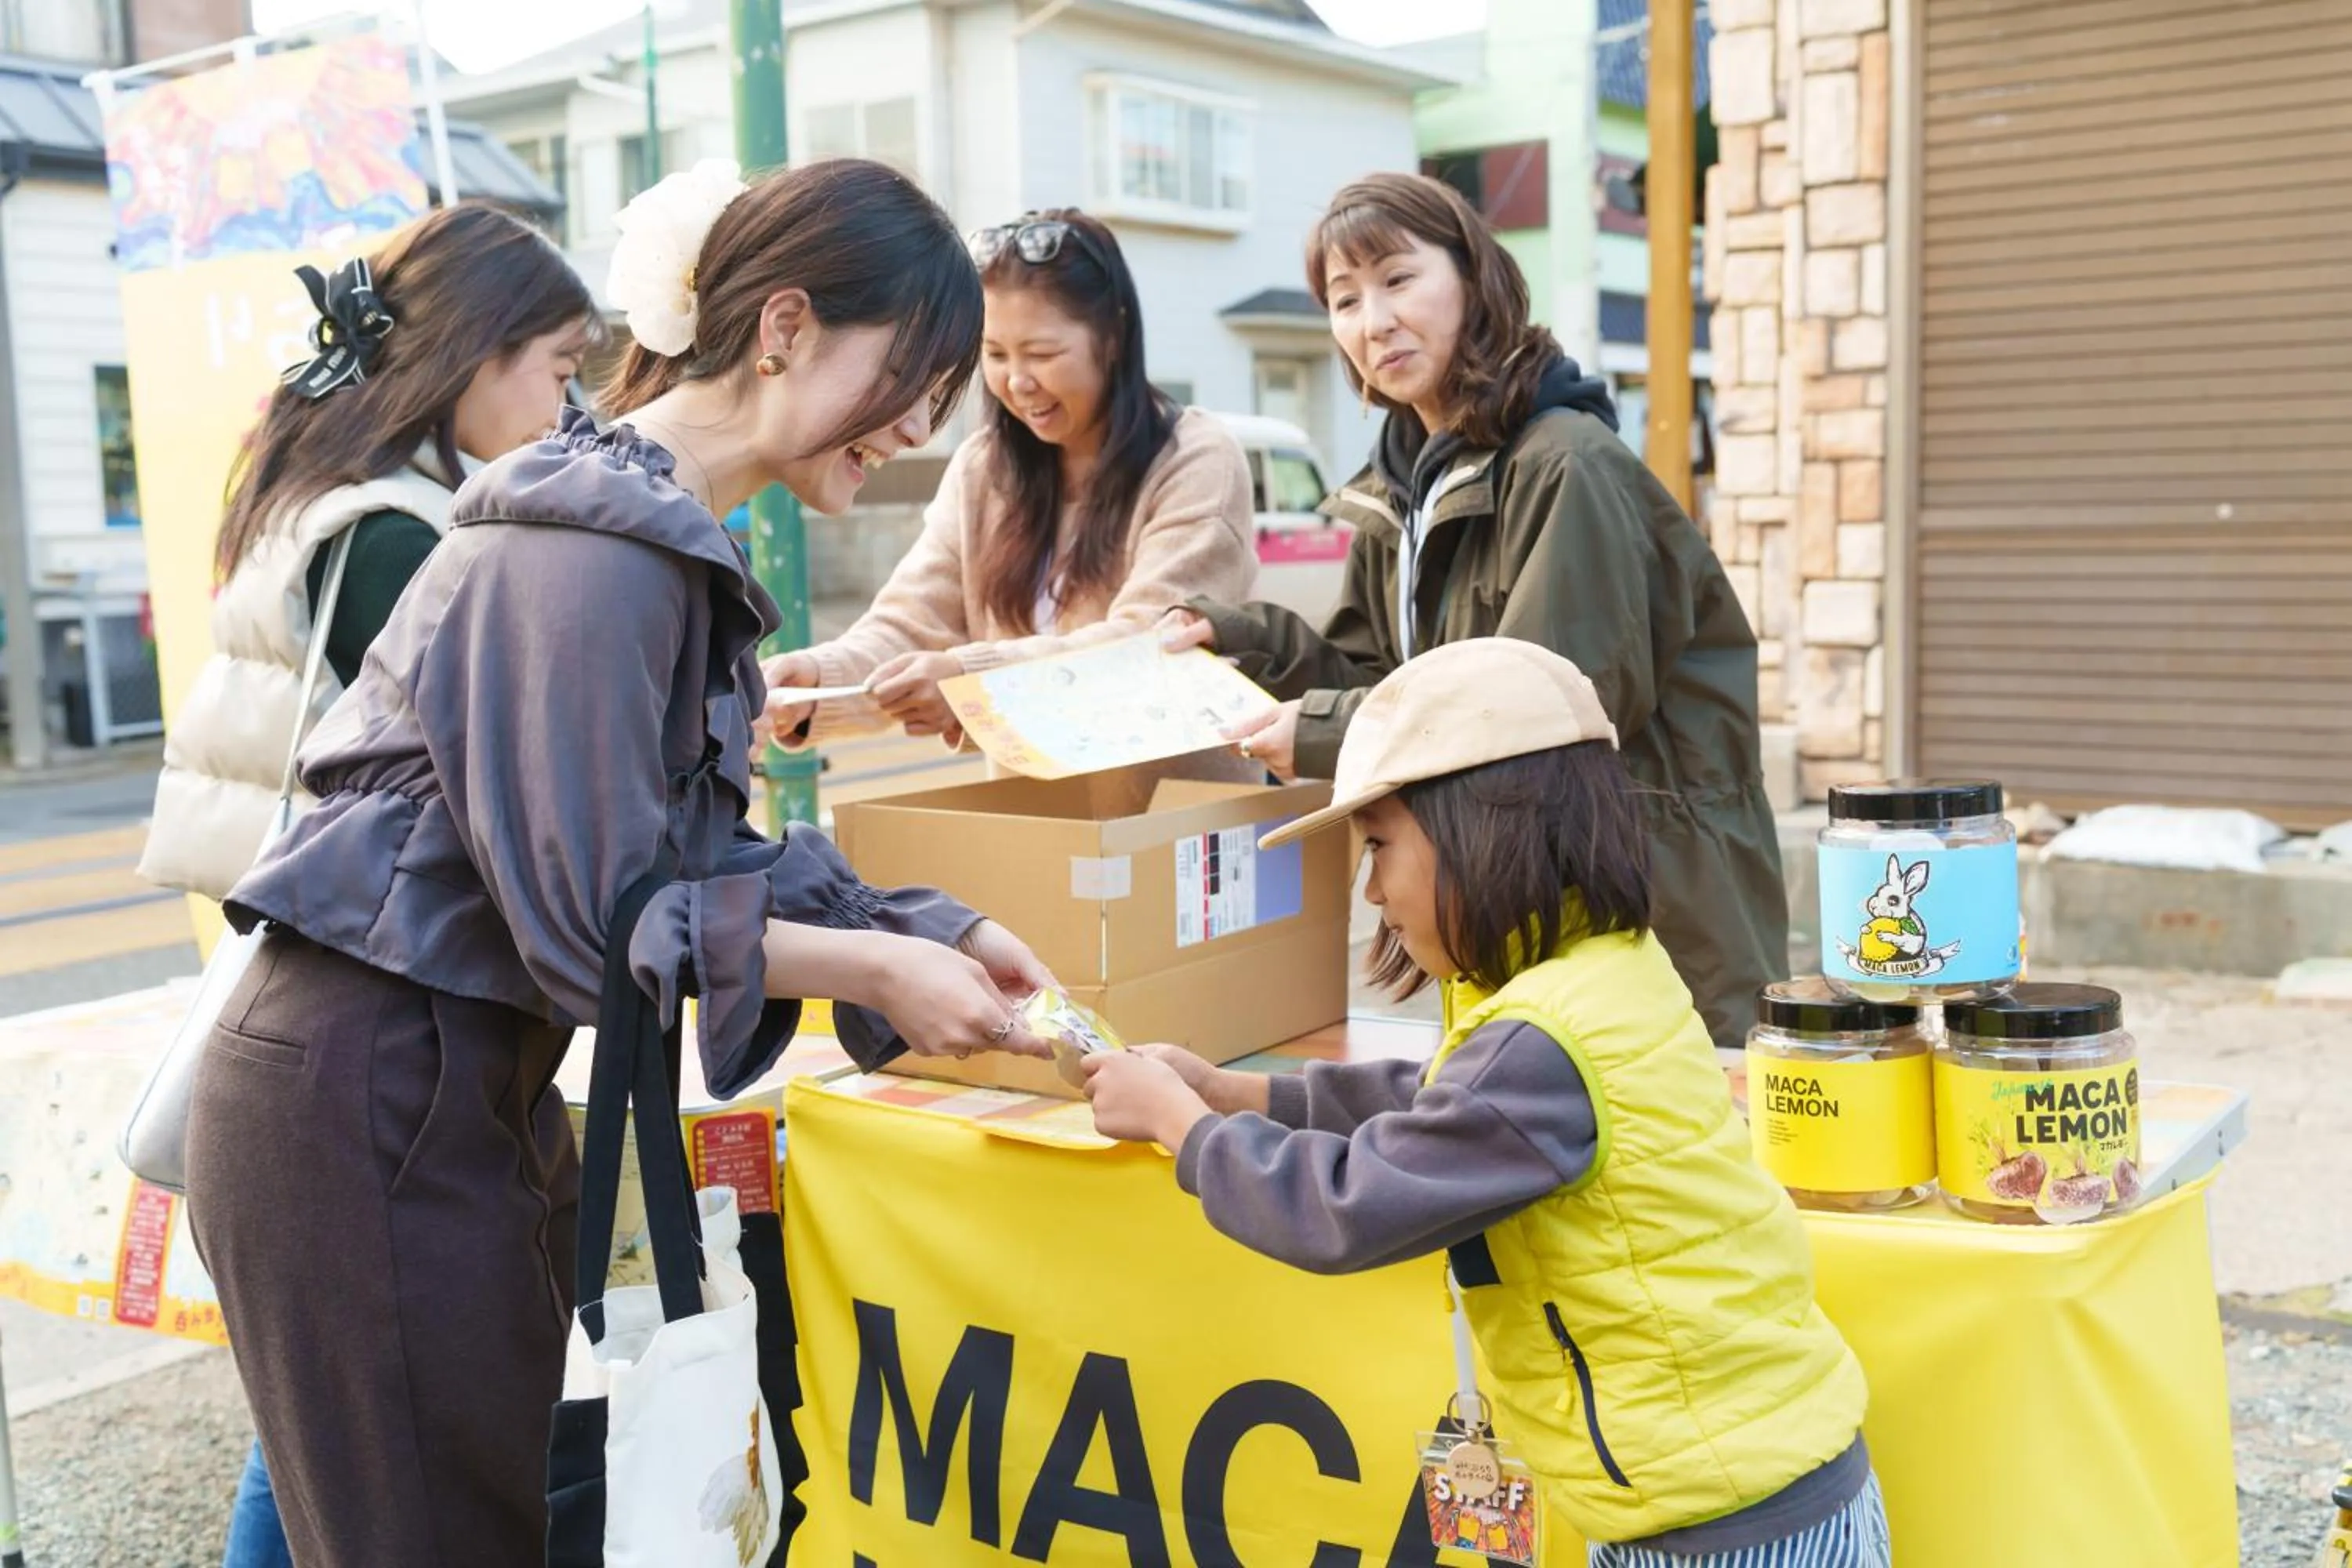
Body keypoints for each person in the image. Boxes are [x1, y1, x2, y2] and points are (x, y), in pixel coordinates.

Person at [184, 158, 1058, 1568]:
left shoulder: (633, 524)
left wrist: (926, 926)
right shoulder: (590, 545)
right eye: (914, 376)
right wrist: (871, 958)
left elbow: (691, 859)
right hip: (365, 1098)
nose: (921, 427)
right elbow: (597, 919)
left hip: (424, 1086)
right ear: (783, 329)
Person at [1083, 638, 1890, 1568]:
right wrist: (1239, 1090)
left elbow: (1347, 1204)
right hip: (1738, 1488)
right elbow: (1442, 1108)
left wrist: (1184, 1125)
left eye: (1381, 844)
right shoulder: (1602, 974)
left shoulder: (1545, 1041)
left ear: (1486, 829)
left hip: (1723, 1528)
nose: (1373, 890)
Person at [130, 203, 601, 1568]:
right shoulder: (400, 532)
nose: (570, 402)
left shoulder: (326, 482)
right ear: (472, 353)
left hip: (286, 978)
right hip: (355, 1013)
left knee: (319, 1421)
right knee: (348, 1423)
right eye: (560, 365)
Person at [1163, 172, 1786, 1051]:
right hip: (1517, 898)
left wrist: (1320, 731)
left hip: (1649, 905)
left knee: (1657, 1160)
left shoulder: (1569, 465)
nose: (1372, 320)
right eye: (1344, 299)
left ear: (1474, 278)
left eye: (1398, 279)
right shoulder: (1398, 491)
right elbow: (1382, 679)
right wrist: (1243, 640)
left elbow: (1535, 714)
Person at [762, 208, 1254, 750]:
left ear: (1112, 337)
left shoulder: (1196, 457)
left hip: (1180, 814)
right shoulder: (983, 469)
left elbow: (1156, 641)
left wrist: (969, 678)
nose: (1018, 382)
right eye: (994, 355)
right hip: (1030, 819)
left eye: (1042, 354)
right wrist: (818, 679)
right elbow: (911, 623)